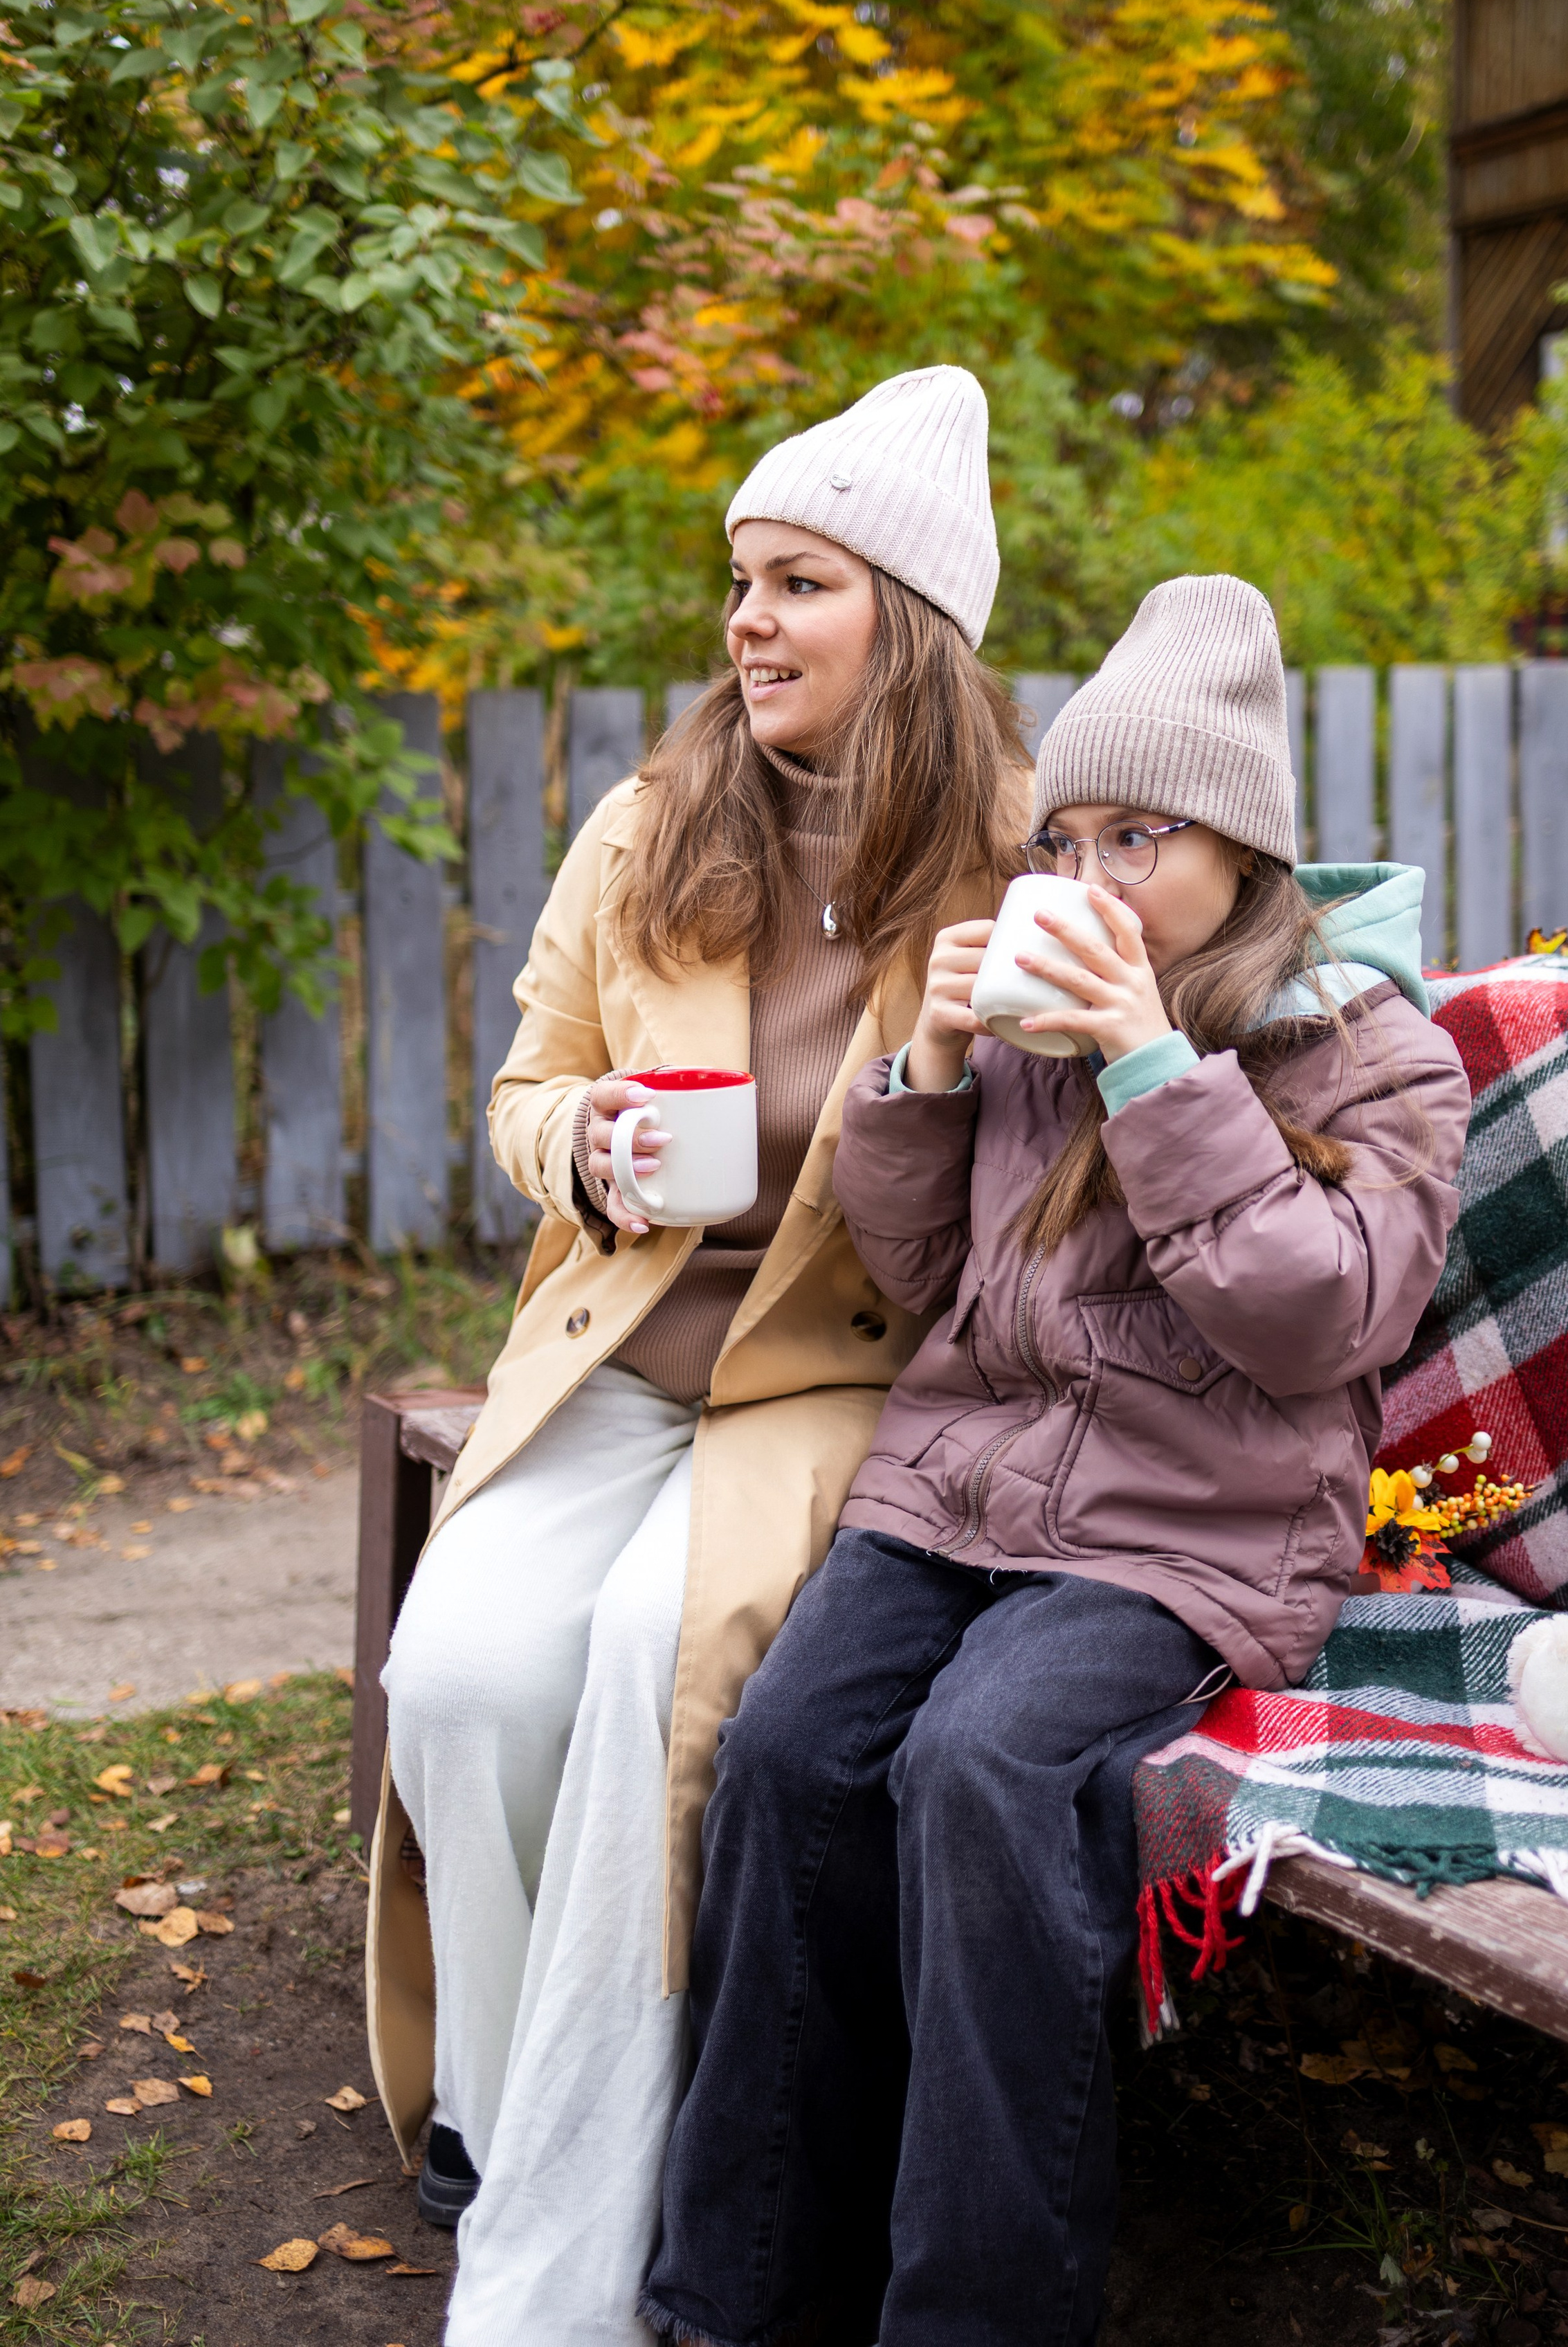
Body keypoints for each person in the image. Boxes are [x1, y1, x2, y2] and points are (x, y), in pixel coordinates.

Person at [642, 574, 1472, 2347]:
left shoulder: (1370, 1052)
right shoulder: (1027, 1035)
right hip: (959, 1485)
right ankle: (743, 2296)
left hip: (1193, 1530)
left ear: (1239, 852)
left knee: (981, 1764)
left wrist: (1154, 1066)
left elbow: (1314, 1325)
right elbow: (936, 1287)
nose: (1083, 878)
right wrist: (930, 1068)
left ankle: (973, 2314)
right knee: (785, 1753)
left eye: (1132, 839)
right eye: (1061, 841)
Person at [372, 366, 1030, 2346]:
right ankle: (499, 2107)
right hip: (613, 1347)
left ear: (901, 620)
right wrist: (573, 1143)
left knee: (658, 1680)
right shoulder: (656, 824)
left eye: (798, 582)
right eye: (739, 580)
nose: (745, 620)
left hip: (831, 1377)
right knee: (464, 1673)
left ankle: (591, 2223)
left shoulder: (1007, 857)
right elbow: (524, 1087)